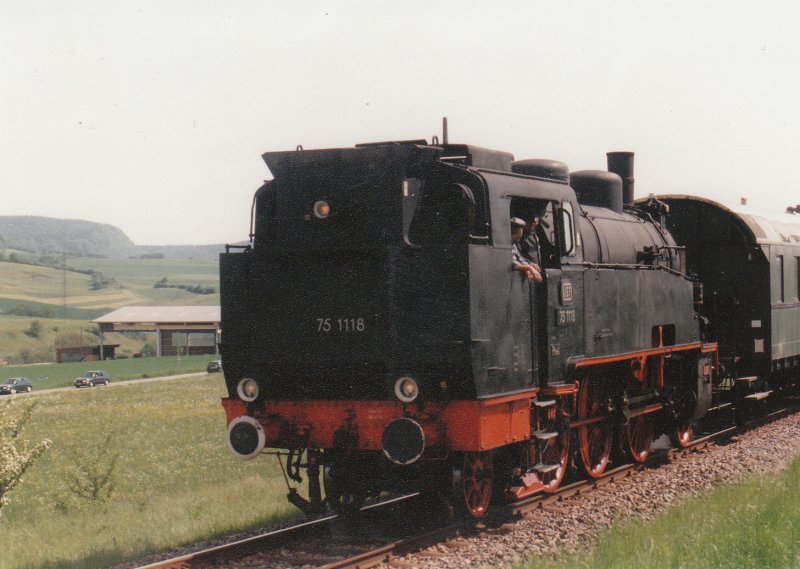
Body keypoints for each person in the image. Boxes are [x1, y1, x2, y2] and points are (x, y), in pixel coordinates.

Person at [511, 217, 542, 283]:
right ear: (513, 234)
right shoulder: (507, 245)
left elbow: (519, 257)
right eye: (518, 238)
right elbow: (513, 263)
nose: (518, 240)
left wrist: (530, 264)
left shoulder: (513, 244)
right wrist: (529, 268)